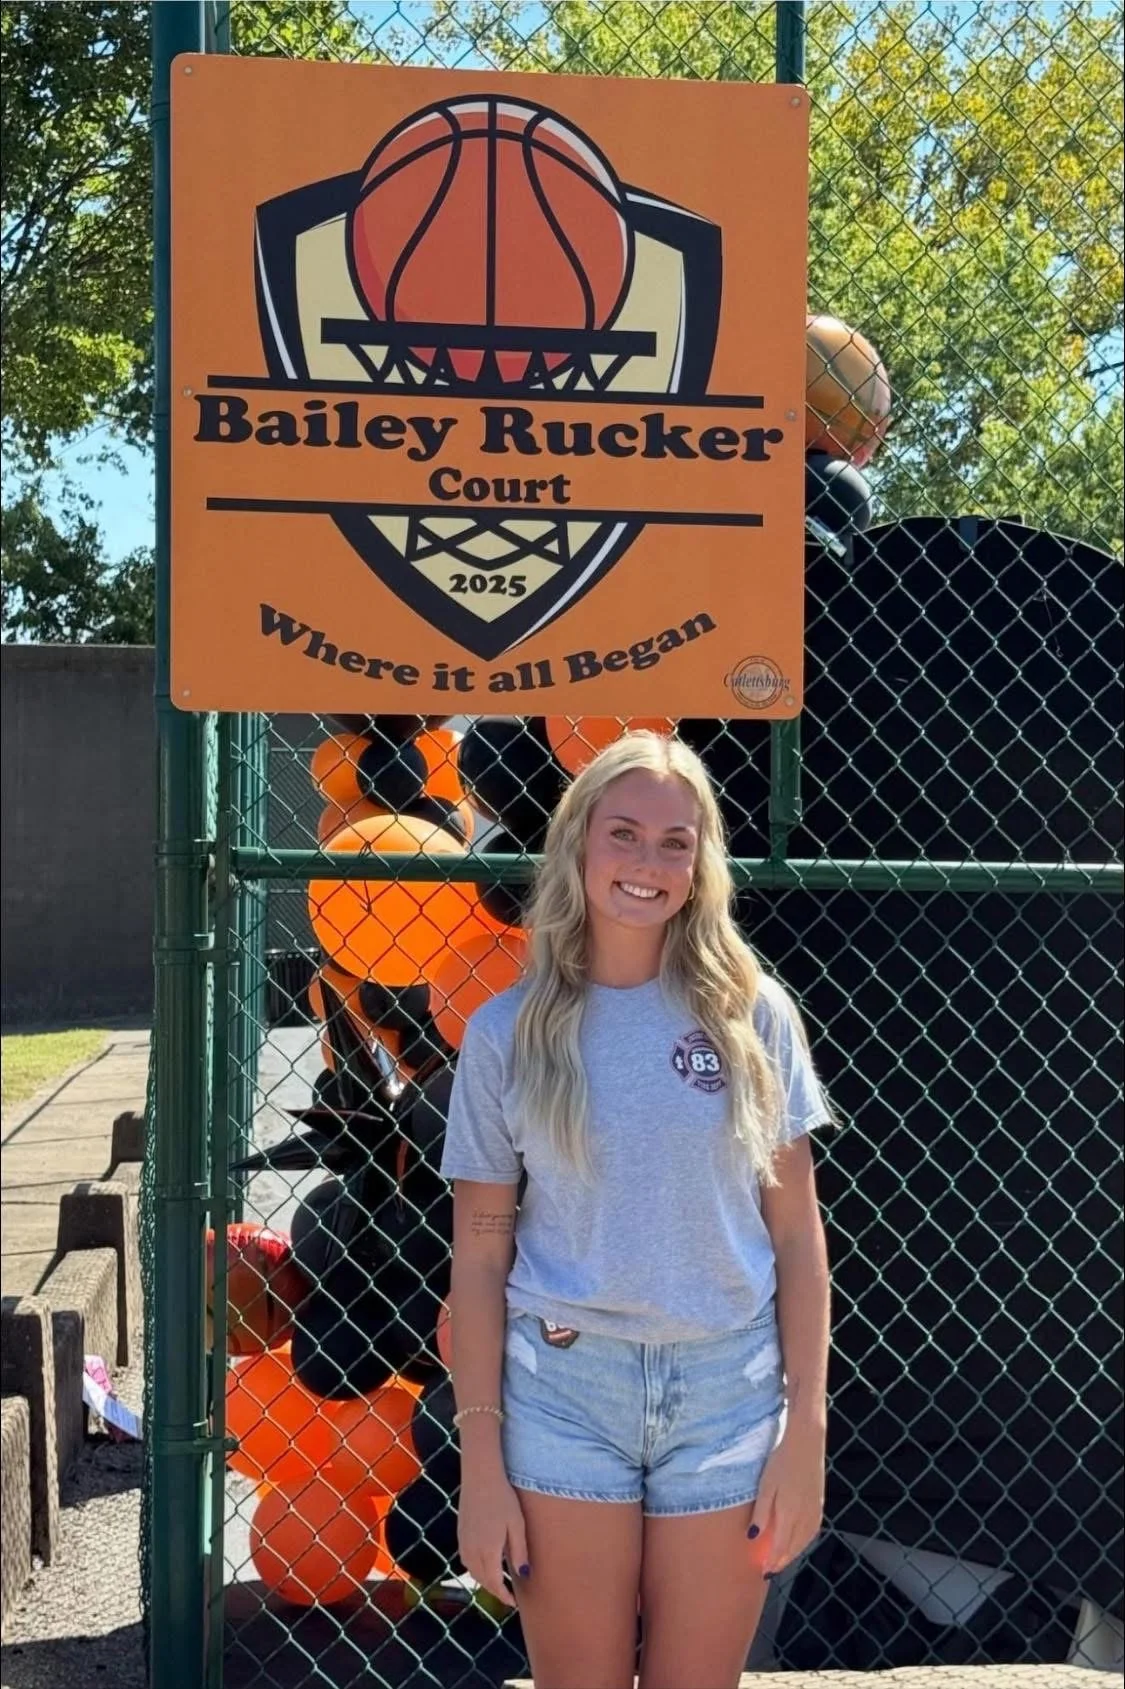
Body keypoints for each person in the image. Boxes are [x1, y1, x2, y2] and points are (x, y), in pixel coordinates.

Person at [439, 730, 833, 1689]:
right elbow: (480, 1258)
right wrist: (480, 1464)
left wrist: (806, 1432)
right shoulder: (504, 1035)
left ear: (701, 866)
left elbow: (796, 1234)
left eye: (674, 841)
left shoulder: (753, 1018)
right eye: (623, 833)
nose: (646, 862)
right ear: (577, 842)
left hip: (726, 1393)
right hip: (563, 1393)